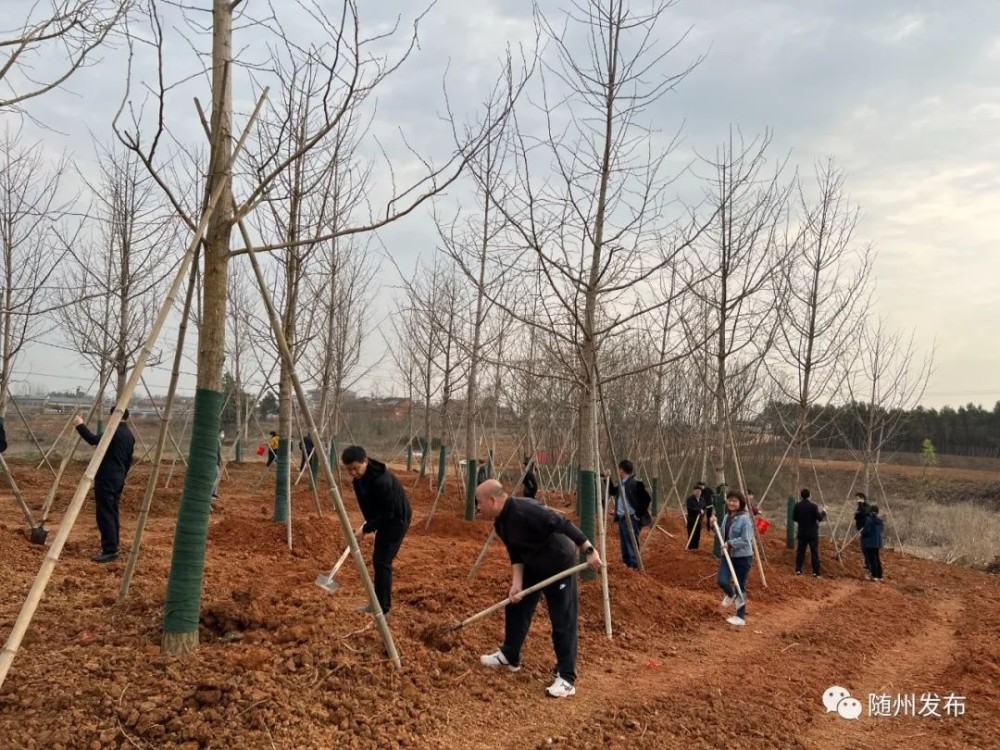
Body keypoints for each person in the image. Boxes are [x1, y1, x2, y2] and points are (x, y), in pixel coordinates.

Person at [475, 479, 602, 698]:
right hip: (533, 564)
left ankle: (566, 678)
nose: (477, 507)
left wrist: (589, 549)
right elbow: (515, 553)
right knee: (516, 607)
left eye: (479, 503)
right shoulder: (500, 523)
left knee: (562, 618)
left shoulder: (527, 510)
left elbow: (563, 522)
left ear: (492, 500)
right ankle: (510, 655)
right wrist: (517, 584)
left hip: (558, 562)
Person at [341, 445, 412, 617]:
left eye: (355, 468)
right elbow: (371, 507)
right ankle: (377, 604)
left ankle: (383, 609)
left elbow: (389, 513)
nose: (352, 473)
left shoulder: (382, 481)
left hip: (397, 520)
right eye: (348, 469)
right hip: (384, 518)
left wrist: (366, 528)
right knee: (379, 561)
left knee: (382, 562)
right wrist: (368, 525)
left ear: (365, 461)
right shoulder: (359, 480)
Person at [73, 409, 136, 563]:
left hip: (107, 477)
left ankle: (110, 549)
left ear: (115, 415)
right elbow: (129, 460)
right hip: (119, 477)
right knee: (112, 512)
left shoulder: (113, 431)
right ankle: (113, 546)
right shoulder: (129, 435)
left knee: (105, 513)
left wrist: (79, 425)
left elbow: (93, 440)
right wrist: (122, 476)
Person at [713, 489, 753, 627]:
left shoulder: (745, 519)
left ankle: (740, 617)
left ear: (740, 503)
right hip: (728, 555)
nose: (731, 503)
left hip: (742, 557)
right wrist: (714, 524)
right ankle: (731, 595)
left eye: (735, 501)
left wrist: (730, 543)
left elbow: (746, 540)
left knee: (740, 586)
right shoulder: (727, 516)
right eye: (730, 500)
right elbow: (722, 533)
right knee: (722, 580)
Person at [604, 459, 651, 569]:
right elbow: (611, 491)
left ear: (621, 470)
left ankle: (634, 566)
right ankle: (626, 563)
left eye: (619, 469)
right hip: (622, 518)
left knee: (631, 542)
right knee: (624, 543)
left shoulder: (636, 483)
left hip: (631, 519)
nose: (618, 471)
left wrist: (637, 515)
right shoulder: (622, 484)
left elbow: (646, 499)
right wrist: (607, 478)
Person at [793, 488, 827, 577]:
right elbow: (820, 518)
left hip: (802, 532)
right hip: (812, 533)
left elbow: (794, 518)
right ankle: (816, 572)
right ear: (809, 496)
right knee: (814, 552)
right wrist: (824, 512)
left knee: (800, 552)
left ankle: (798, 570)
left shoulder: (797, 505)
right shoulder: (813, 506)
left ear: (801, 496)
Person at [861, 504, 884, 581]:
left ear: (871, 512)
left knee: (872, 559)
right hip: (877, 542)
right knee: (877, 558)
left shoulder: (869, 520)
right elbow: (881, 530)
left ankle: (874, 576)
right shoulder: (880, 521)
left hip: (869, 543)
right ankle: (880, 575)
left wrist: (862, 533)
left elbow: (866, 531)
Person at [854, 492, 871, 573]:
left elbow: (864, 512)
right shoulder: (859, 507)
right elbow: (856, 517)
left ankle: (869, 565)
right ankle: (867, 563)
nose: (856, 501)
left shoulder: (867, 506)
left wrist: (860, 505)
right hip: (860, 530)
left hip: (867, 530)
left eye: (858, 499)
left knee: (867, 547)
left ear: (862, 499)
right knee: (863, 548)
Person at [685, 485, 703, 550]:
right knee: (691, 533)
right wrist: (699, 510)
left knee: (697, 534)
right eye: (697, 491)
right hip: (691, 519)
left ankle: (696, 547)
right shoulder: (690, 499)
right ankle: (691, 547)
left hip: (699, 520)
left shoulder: (702, 499)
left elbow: (704, 507)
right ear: (694, 491)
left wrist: (703, 511)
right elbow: (689, 508)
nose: (698, 492)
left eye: (699, 491)